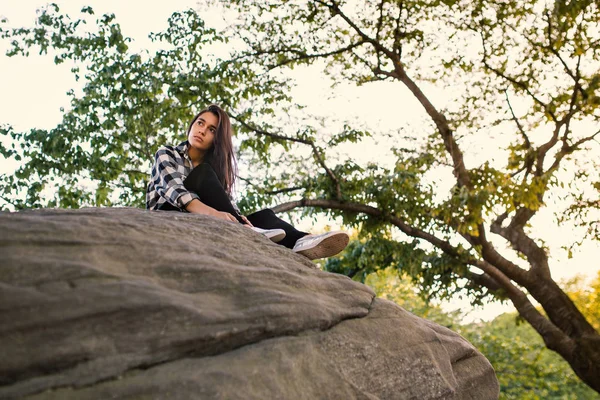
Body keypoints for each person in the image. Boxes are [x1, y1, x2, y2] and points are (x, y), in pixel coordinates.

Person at [146, 104, 349, 260]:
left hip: (204, 220)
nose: (202, 130)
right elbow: (174, 190)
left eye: (211, 129)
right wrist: (218, 215)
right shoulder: (167, 153)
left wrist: (241, 220)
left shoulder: (214, 172)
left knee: (264, 216)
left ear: (217, 139)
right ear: (192, 125)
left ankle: (301, 240)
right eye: (200, 123)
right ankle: (253, 231)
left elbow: (225, 203)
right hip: (171, 216)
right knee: (204, 175)